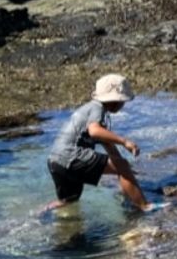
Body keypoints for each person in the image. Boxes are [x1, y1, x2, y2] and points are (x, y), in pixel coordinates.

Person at [43, 73, 160, 213]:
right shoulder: (97, 108)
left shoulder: (89, 110)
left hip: (55, 161)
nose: (123, 105)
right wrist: (125, 142)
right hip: (71, 156)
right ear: (114, 100)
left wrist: (125, 169)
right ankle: (144, 206)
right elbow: (94, 131)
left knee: (68, 200)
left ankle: (38, 214)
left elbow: (108, 144)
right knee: (122, 166)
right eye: (122, 101)